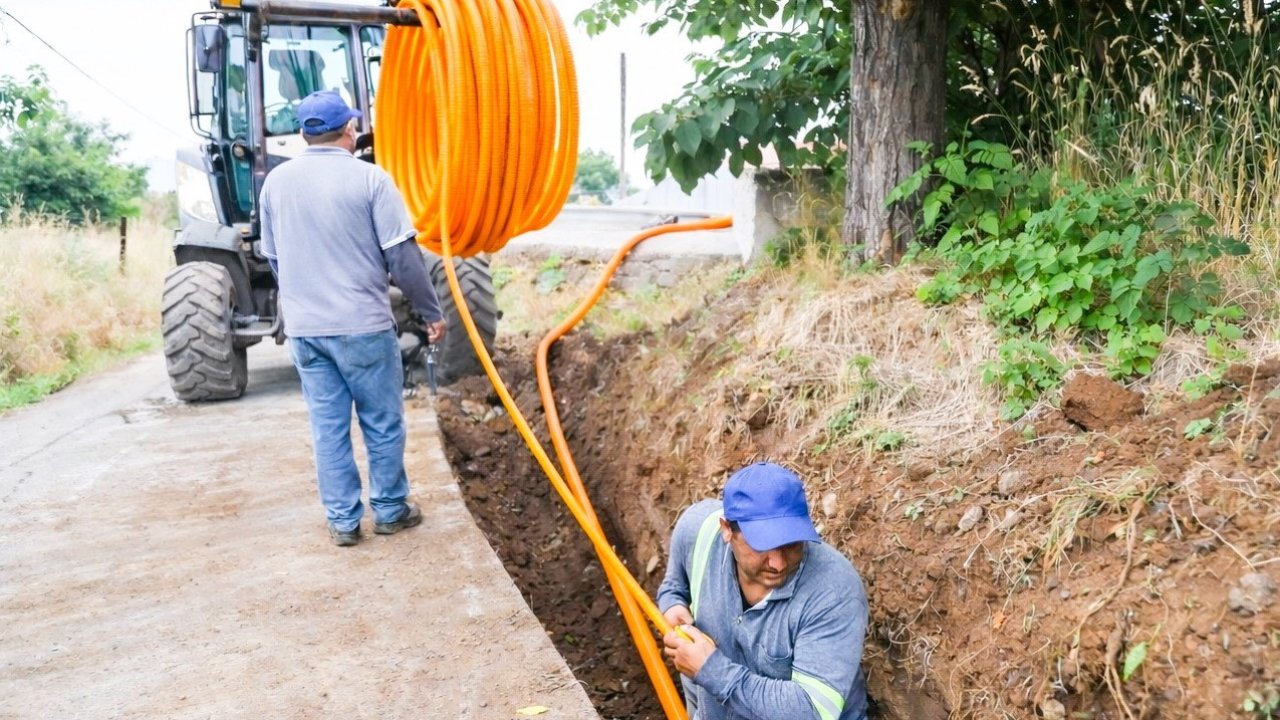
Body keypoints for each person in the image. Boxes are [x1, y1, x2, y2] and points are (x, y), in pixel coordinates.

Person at [259, 89, 447, 547]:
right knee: (381, 422)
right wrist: (429, 313)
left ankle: (343, 521)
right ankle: (388, 510)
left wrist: (304, 301)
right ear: (350, 130)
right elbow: (402, 257)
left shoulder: (275, 184)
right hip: (362, 326)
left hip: (307, 332)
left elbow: (275, 259)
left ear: (304, 134)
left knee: (328, 427)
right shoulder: (372, 180)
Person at [658, 462, 869, 720]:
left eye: (791, 544)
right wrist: (672, 605)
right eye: (762, 546)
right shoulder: (697, 530)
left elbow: (811, 712)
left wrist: (710, 670)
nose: (778, 563)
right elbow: (674, 585)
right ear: (726, 530)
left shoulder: (833, 591)